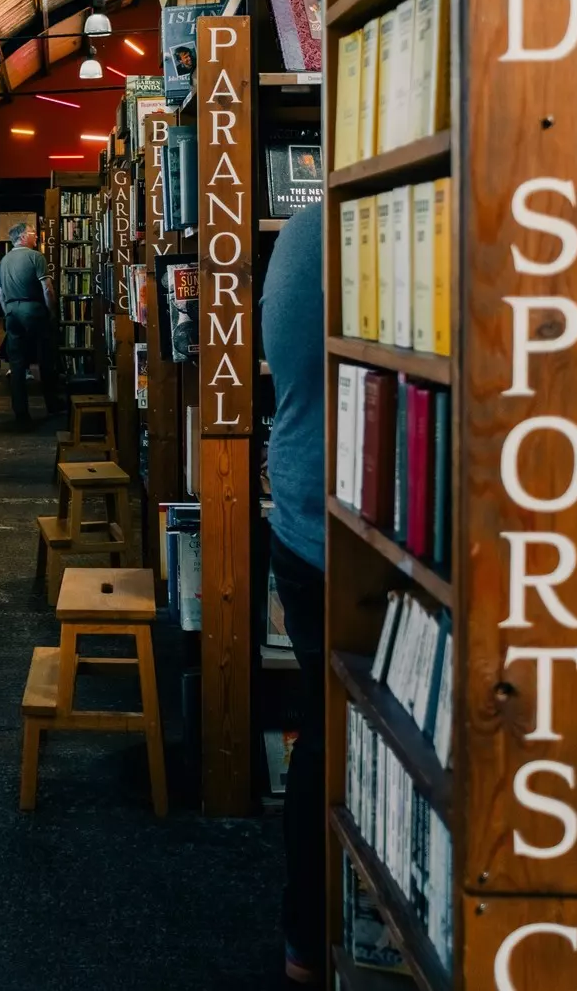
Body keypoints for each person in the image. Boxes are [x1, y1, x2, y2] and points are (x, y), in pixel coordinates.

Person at [262, 201, 326, 985]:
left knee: (324, 724)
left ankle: (307, 934)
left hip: (303, 516)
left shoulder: (303, 230)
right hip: (340, 523)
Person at [0, 223, 59, 423]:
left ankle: (20, 411)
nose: (37, 237)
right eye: (33, 234)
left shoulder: (4, 261)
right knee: (46, 358)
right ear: (23, 237)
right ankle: (52, 404)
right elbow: (46, 288)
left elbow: (0, 293)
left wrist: (9, 312)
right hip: (34, 310)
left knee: (17, 363)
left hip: (13, 312)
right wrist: (52, 311)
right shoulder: (36, 257)